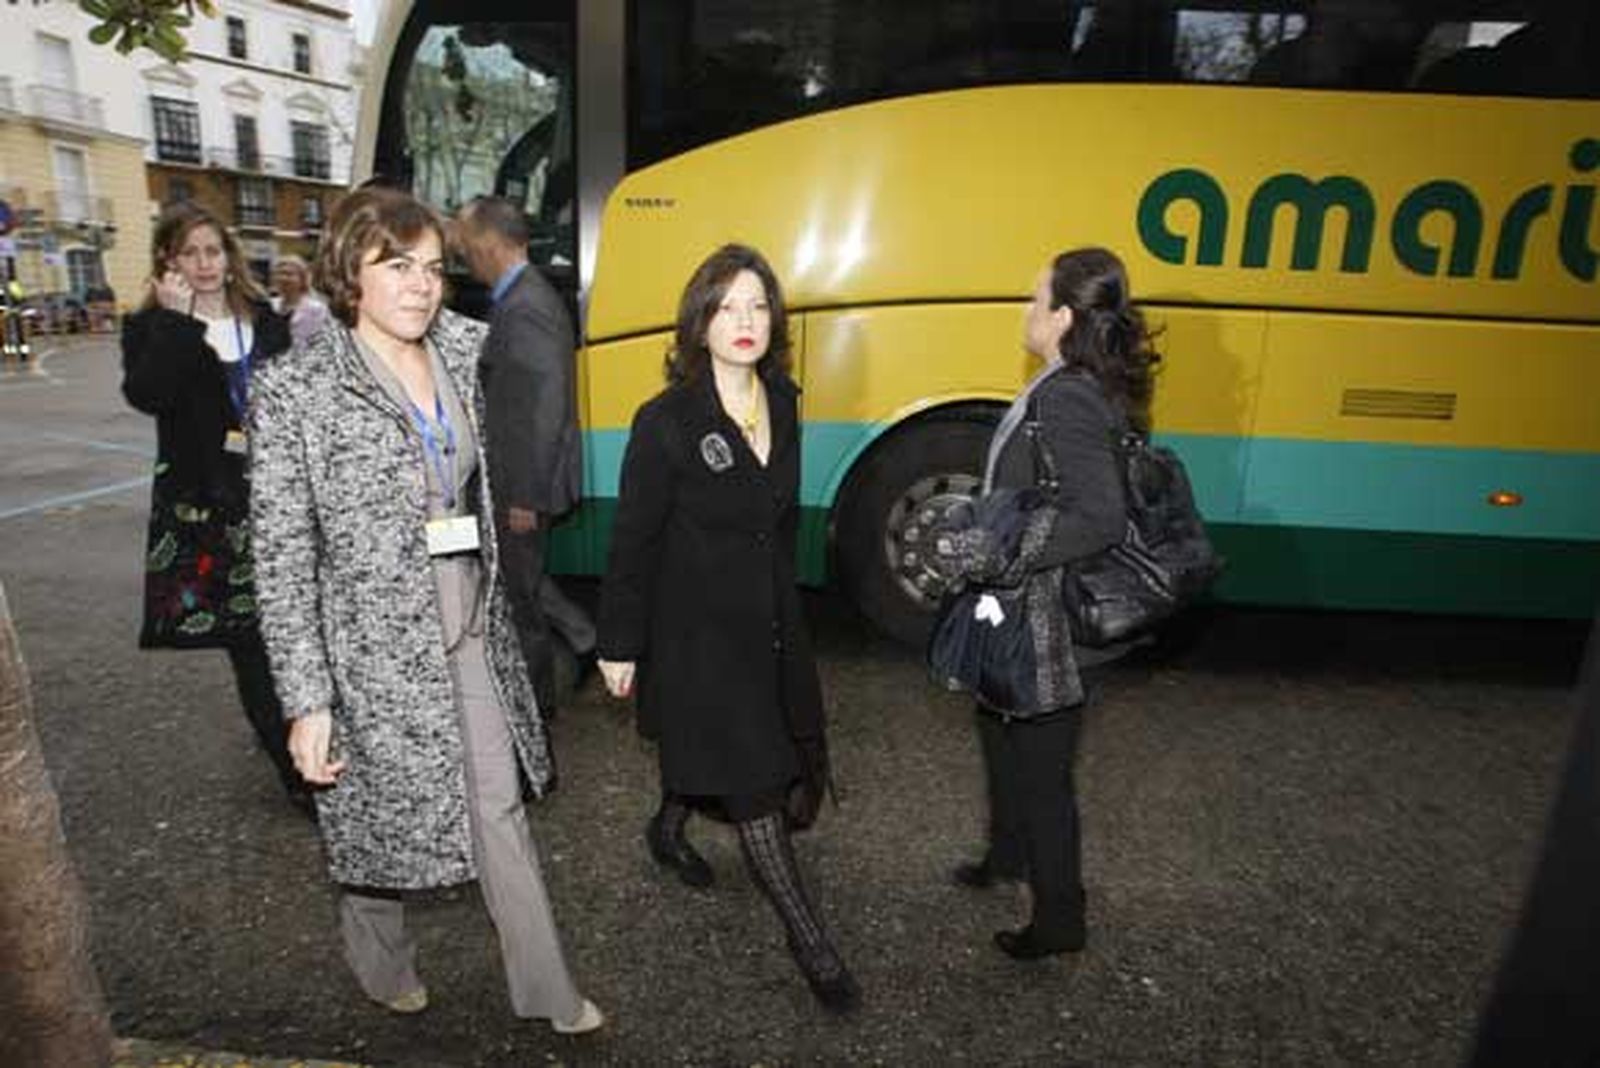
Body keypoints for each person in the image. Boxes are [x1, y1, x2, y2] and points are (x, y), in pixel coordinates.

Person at [246, 186, 603, 1033]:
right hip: (368, 644)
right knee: (378, 822)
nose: (421, 285)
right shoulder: (296, 392)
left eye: (434, 268)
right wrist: (307, 700)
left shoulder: (462, 352)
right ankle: (377, 952)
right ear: (349, 273)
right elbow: (284, 558)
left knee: (499, 805)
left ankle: (548, 991)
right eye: (396, 266)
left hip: (470, 616)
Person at [596, 244, 859, 1012]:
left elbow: (773, 527)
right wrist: (619, 641)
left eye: (757, 306)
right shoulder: (667, 420)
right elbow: (633, 539)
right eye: (726, 307)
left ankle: (668, 827)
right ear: (698, 322)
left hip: (768, 623)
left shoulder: (783, 398)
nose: (744, 322)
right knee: (751, 782)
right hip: (695, 636)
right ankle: (809, 940)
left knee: (733, 746)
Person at [932, 247, 1156, 959]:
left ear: (1063, 316)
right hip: (1021, 610)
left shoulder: (1067, 397)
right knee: (997, 724)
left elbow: (1098, 517)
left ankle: (1060, 921)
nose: (1025, 313)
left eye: (1035, 301)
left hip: (1046, 619)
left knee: (1043, 767)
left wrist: (1000, 548)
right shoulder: (1082, 381)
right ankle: (1007, 854)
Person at [119, 202, 304, 810]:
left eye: (211, 250)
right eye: (188, 253)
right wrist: (177, 322)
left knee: (295, 631)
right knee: (250, 640)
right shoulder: (152, 327)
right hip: (210, 511)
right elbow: (149, 395)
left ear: (228, 256)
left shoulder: (268, 320)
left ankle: (297, 730)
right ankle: (297, 774)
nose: (202, 263)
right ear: (168, 263)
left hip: (279, 501)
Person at [454, 196, 595, 714]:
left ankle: (535, 712)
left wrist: (526, 497)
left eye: (465, 249)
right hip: (515, 479)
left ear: (489, 245)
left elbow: (544, 412)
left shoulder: (527, 306)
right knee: (521, 577)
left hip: (522, 486)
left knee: (520, 601)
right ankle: (583, 638)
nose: (464, 260)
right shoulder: (521, 298)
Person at [269, 255, 331, 347]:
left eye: (289, 274)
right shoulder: (269, 305)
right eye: (279, 273)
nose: (283, 278)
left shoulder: (316, 309)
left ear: (302, 279)